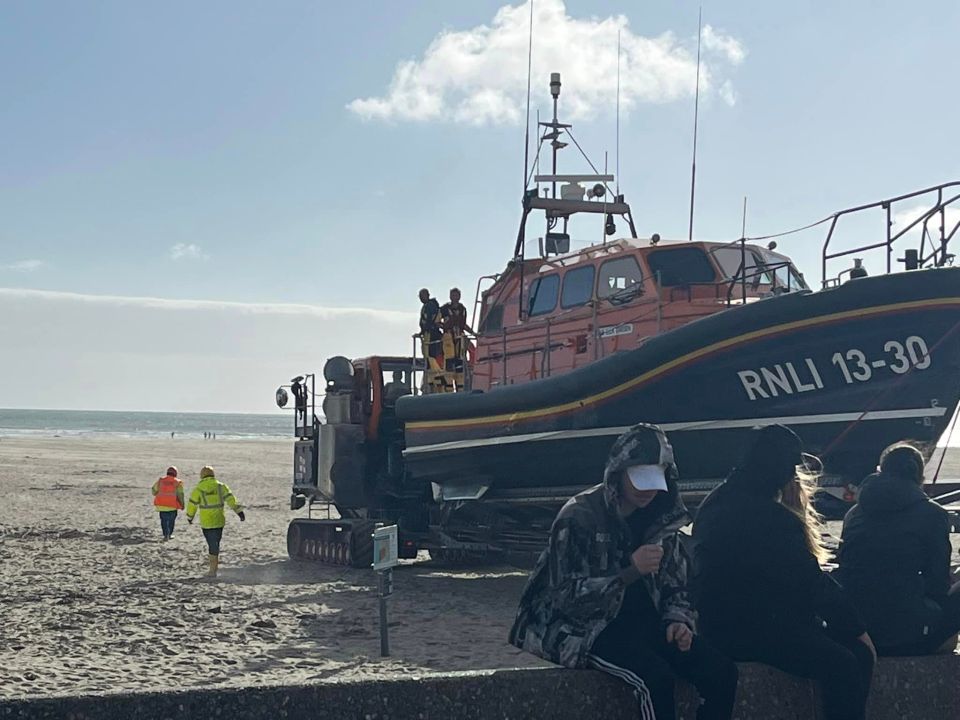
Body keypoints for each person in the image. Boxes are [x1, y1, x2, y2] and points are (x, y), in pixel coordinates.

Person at [509, 424, 737, 720]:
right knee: (655, 681)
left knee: (722, 673)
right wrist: (628, 572)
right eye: (640, 479)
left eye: (657, 480)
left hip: (645, 622)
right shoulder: (579, 516)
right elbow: (563, 599)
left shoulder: (664, 519)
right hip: (584, 630)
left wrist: (678, 621)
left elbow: (678, 585)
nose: (649, 490)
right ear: (619, 473)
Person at [692, 424, 875, 720]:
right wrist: (857, 628)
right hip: (755, 631)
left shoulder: (715, 502)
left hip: (717, 626)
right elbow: (811, 582)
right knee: (849, 661)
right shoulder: (773, 518)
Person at [837, 442, 960, 655]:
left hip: (857, 629)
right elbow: (937, 584)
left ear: (880, 471)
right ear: (920, 477)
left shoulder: (854, 514)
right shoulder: (934, 514)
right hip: (908, 636)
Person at [186, 466, 245, 578]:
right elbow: (231, 499)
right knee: (216, 543)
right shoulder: (220, 486)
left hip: (206, 522)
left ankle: (213, 570)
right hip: (219, 521)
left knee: (211, 544)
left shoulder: (199, 488)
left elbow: (192, 504)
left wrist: (190, 517)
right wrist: (239, 512)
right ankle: (214, 568)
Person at [440, 287, 473, 379]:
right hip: (448, 337)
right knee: (449, 359)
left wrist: (473, 333)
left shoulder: (462, 309)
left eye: (457, 295)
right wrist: (444, 327)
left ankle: (460, 384)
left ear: (460, 296)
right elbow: (436, 322)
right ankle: (449, 384)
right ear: (450, 296)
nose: (455, 297)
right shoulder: (444, 308)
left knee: (460, 360)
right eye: (453, 295)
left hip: (459, 336)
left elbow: (463, 324)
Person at [151, 466, 184, 540]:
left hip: (161, 505)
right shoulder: (177, 482)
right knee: (171, 521)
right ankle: (170, 534)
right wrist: (182, 504)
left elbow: (153, 490)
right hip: (172, 506)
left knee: (164, 521)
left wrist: (157, 494)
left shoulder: (161, 480)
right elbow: (180, 494)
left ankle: (166, 535)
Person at [418, 288, 443, 367]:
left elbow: (429, 319)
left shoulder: (430, 306)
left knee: (430, 353)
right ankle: (430, 365)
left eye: (423, 296)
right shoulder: (428, 305)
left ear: (428, 295)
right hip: (428, 333)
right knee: (428, 352)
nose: (421, 298)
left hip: (432, 333)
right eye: (420, 296)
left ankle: (431, 366)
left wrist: (425, 329)